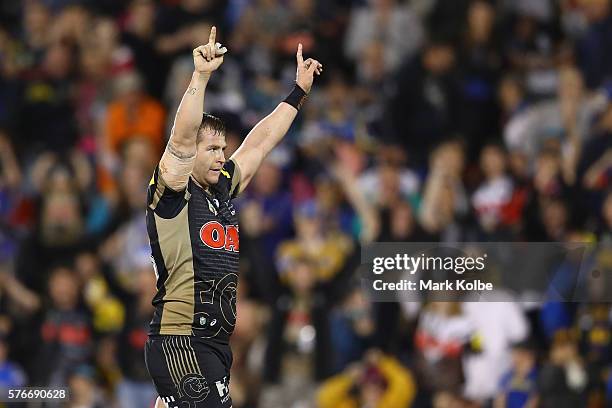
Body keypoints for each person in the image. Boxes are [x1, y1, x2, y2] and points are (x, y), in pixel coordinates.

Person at [143, 26, 322, 408]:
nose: (222, 156)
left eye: (223, 148)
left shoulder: (222, 188)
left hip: (215, 344)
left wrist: (298, 93)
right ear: (192, 153)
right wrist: (201, 76)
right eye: (211, 148)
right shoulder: (172, 193)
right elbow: (180, 140)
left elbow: (260, 142)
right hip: (181, 339)